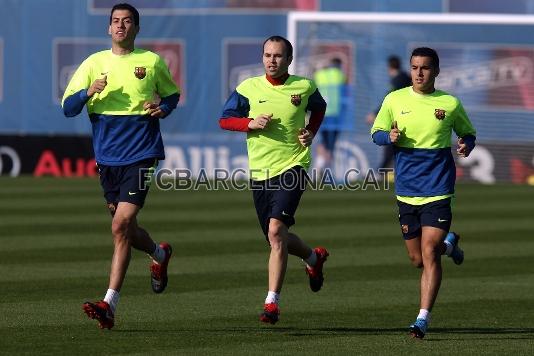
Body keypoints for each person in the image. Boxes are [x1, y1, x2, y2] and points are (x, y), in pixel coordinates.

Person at [61, 3, 180, 329]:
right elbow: (68, 108)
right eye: (116, 21)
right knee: (125, 228)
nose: (121, 26)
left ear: (137, 28)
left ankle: (109, 303)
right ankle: (158, 253)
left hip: (142, 154)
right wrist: (88, 92)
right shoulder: (93, 63)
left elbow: (172, 96)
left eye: (127, 22)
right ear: (108, 28)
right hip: (108, 159)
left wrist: (163, 108)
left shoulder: (151, 61)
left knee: (119, 226)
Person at [219, 35, 329, 324]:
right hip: (260, 172)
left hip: (293, 166)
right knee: (275, 237)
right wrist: (249, 123)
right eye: (267, 54)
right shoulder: (248, 88)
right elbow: (224, 118)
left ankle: (271, 304)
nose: (271, 60)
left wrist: (311, 131)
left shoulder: (304, 87)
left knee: (276, 230)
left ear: (289, 59)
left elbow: (319, 108)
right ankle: (313, 259)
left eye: (278, 55)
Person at [370, 47, 476, 339]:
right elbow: (376, 132)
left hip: (439, 188)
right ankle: (450, 245)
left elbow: (468, 133)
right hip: (406, 191)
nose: (419, 73)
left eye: (425, 68)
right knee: (418, 259)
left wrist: (467, 144)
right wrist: (386, 137)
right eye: (415, 67)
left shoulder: (450, 103)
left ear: (436, 71)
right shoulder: (394, 99)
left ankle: (422, 319)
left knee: (429, 252)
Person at [367, 55, 412, 171]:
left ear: (389, 67)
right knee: (394, 145)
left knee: (391, 143)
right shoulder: (405, 77)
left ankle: (380, 171)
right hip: (406, 115)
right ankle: (384, 171)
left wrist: (375, 113)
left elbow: (388, 99)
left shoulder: (398, 80)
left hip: (400, 116)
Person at [313, 57, 346, 172]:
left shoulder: (320, 74)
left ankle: (320, 165)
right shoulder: (339, 75)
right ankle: (326, 167)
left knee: (323, 140)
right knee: (330, 143)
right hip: (335, 113)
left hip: (322, 113)